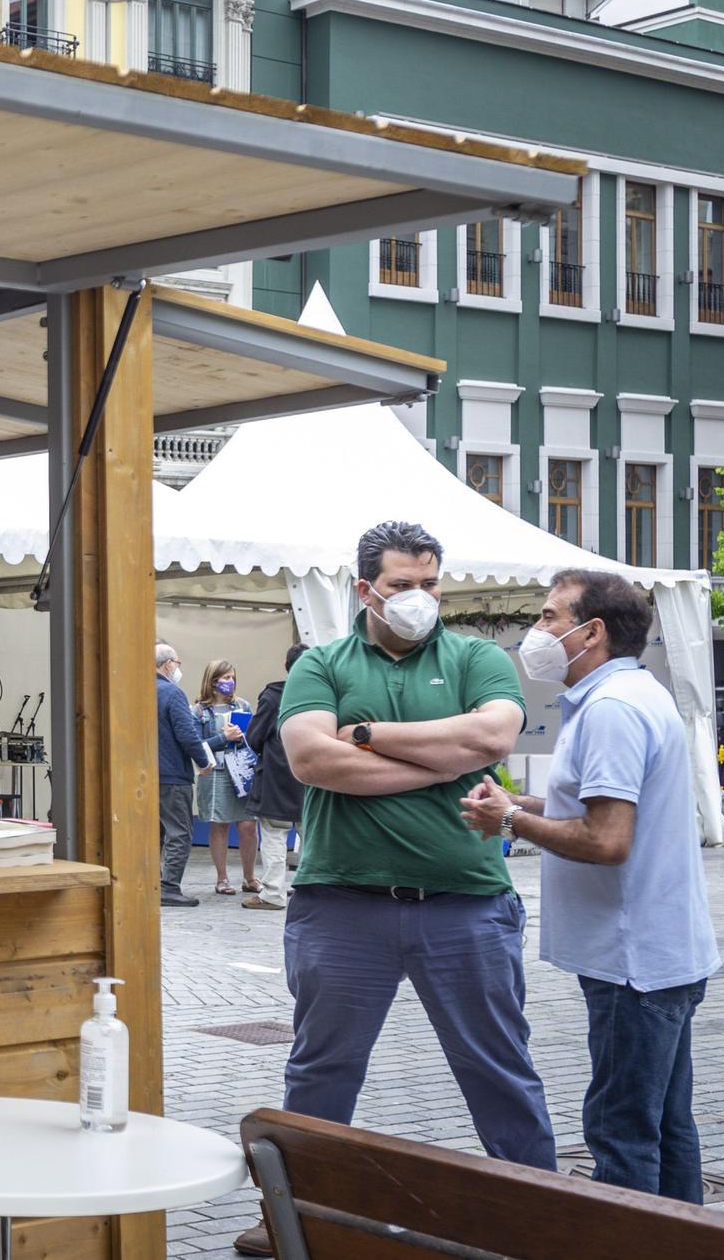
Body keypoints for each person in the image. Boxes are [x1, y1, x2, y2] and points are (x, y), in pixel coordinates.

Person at [232, 520, 552, 1258]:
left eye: (429, 583)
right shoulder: (322, 662)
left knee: (500, 1068)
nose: (418, 598)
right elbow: (313, 758)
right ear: (364, 588)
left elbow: (494, 739)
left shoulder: (477, 657)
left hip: (466, 904)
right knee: (321, 1071)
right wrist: (444, 761)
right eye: (402, 584)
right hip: (342, 905)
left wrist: (368, 735)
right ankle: (292, 1212)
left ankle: (540, 1208)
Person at [459, 570, 719, 1202]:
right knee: (666, 1124)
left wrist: (512, 820)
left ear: (591, 631)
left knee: (621, 1131)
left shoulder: (609, 710)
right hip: (660, 956)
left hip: (632, 964)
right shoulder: (633, 693)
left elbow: (607, 839)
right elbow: (596, 803)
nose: (536, 631)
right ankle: (689, 1244)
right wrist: (520, 799)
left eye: (550, 617)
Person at [241, 644, 309, 911]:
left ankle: (272, 894)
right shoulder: (324, 693)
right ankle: (308, 893)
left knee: (274, 837)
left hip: (276, 778)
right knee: (310, 838)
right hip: (310, 776)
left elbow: (254, 737)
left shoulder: (273, 694)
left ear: (286, 665)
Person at [193, 661, 258, 896]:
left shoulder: (243, 705)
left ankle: (250, 877)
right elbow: (197, 747)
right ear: (212, 681)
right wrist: (224, 737)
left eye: (232, 677)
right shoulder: (199, 711)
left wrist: (242, 736)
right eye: (225, 677)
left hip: (240, 770)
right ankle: (222, 878)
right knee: (219, 825)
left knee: (249, 825)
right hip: (216, 772)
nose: (230, 682)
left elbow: (253, 739)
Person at [156, 642, 212, 907]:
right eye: (177, 664)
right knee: (179, 833)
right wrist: (203, 761)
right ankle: (169, 888)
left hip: (145, 776)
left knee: (152, 833)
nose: (178, 669)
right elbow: (187, 734)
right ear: (168, 664)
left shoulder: (138, 691)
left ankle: (150, 881)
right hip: (173, 776)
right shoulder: (172, 692)